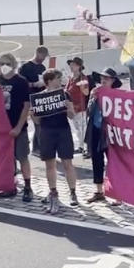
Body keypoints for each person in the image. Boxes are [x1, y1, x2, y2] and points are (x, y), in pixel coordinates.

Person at [36, 70, 79, 212]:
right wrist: (32, 114)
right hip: (47, 132)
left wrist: (69, 109)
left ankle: (73, 192)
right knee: (50, 164)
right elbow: (37, 120)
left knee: (67, 162)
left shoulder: (65, 94)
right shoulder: (40, 97)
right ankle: (53, 191)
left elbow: (72, 116)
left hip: (63, 131)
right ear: (49, 81)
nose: (60, 80)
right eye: (57, 78)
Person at [0, 53, 34, 202]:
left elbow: (26, 106)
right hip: (3, 128)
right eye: (1, 63)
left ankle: (28, 186)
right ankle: (10, 185)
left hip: (18, 126)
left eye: (7, 63)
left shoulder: (21, 82)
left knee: (22, 156)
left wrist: (18, 127)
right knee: (7, 159)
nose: (3, 66)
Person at [85, 69, 120, 205]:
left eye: (107, 78)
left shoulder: (117, 95)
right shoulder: (96, 92)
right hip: (96, 130)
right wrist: (92, 98)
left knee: (113, 162)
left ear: (112, 81)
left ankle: (117, 193)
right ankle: (99, 191)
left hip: (111, 132)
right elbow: (88, 112)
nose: (103, 80)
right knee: (97, 160)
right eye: (102, 78)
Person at [19, 46, 49, 155]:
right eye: (43, 56)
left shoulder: (42, 67)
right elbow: (20, 83)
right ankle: (34, 147)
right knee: (26, 122)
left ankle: (37, 148)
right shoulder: (25, 67)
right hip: (28, 98)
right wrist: (33, 84)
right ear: (37, 53)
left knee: (39, 123)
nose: (44, 58)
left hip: (39, 97)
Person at [65, 58, 91, 154]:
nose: (71, 67)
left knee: (82, 128)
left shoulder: (83, 78)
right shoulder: (70, 77)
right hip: (72, 107)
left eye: (73, 65)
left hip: (80, 107)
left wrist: (82, 88)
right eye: (71, 65)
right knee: (77, 128)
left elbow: (86, 92)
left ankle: (85, 147)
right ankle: (81, 146)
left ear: (79, 67)